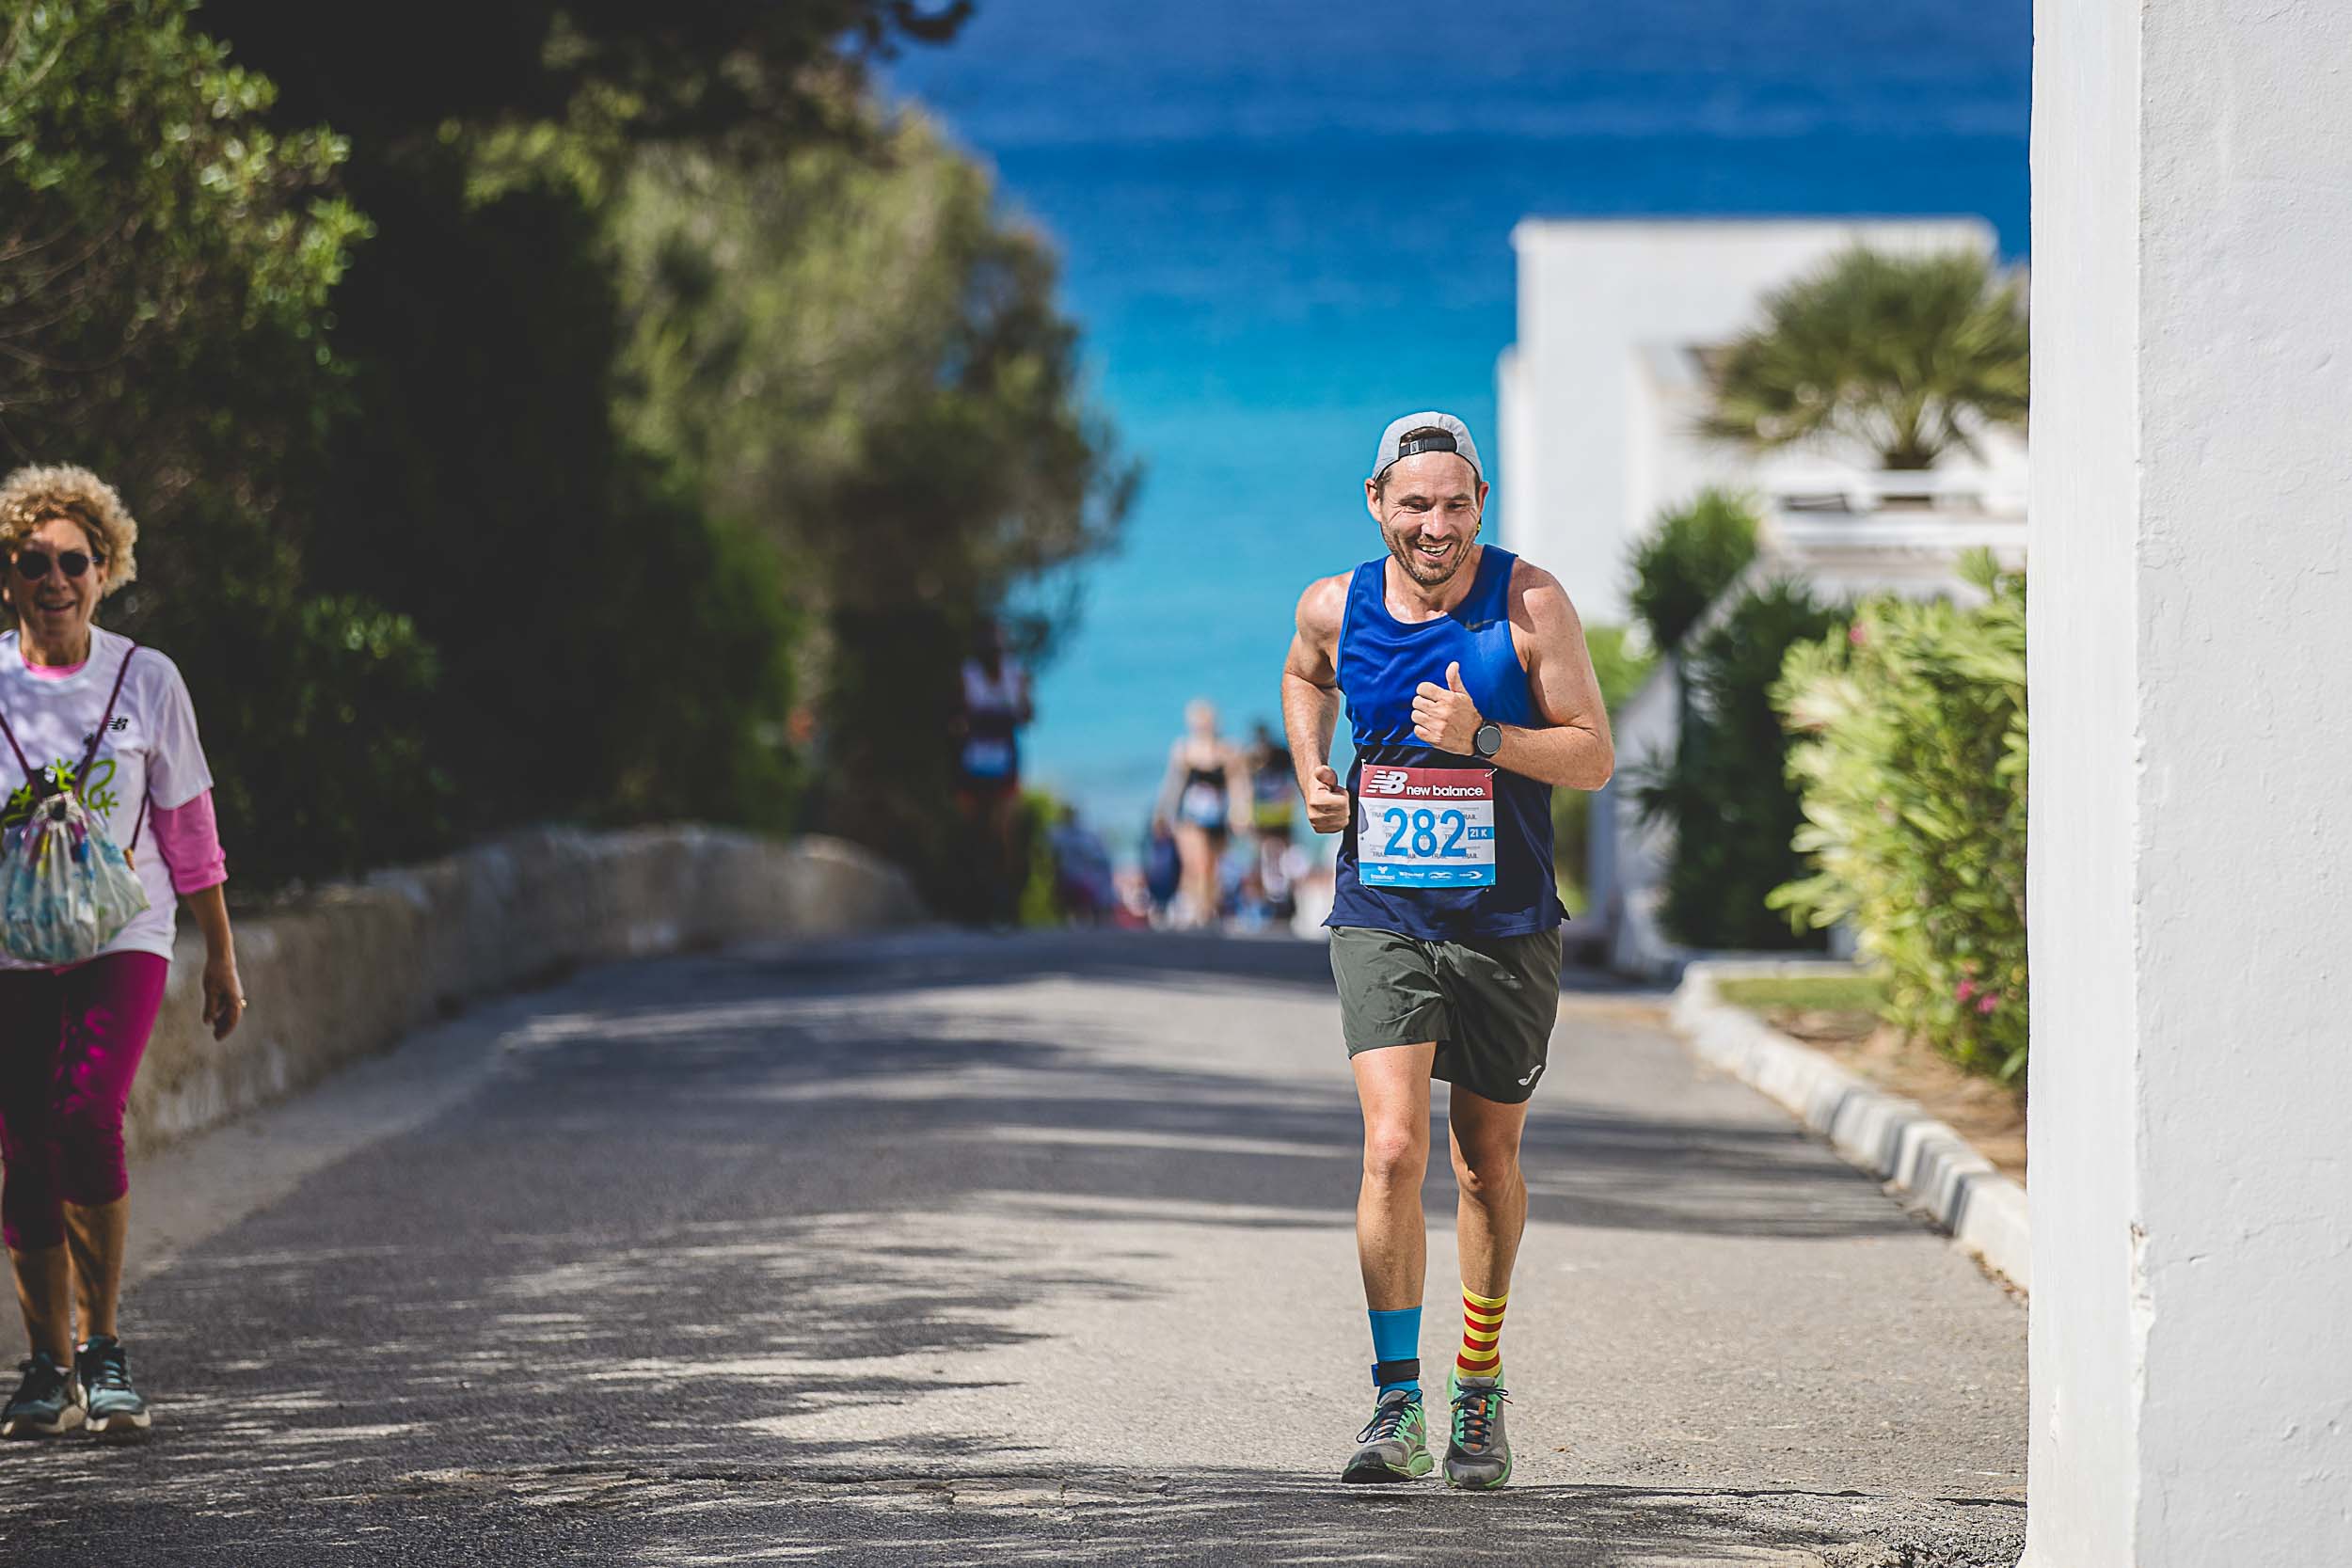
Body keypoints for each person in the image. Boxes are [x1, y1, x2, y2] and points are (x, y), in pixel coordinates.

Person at [1279, 413, 1613, 1488]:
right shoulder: (1334, 605)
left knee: (1483, 1161)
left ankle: (1477, 1382)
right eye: (1415, 503)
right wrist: (1311, 770)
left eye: (1456, 503)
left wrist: (1483, 738)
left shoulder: (1531, 604)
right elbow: (1304, 674)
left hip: (1506, 922)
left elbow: (1593, 756)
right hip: (1381, 911)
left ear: (1481, 504)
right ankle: (1395, 1400)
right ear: (1375, 501)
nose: (1436, 524)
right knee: (1390, 1148)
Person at [0, 466, 243, 1441]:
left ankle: (102, 1350)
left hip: (124, 931)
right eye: (34, 561)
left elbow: (189, 826)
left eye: (76, 560)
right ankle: (45, 1364)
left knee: (86, 1113)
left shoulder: (148, 678)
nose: (55, 578)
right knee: (23, 1144)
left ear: (106, 571)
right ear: (9, 575)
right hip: (12, 939)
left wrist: (220, 952)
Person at [950, 620, 1033, 926]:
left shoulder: (1016, 675)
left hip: (1004, 761)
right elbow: (956, 717)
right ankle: (975, 902)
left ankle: (1006, 901)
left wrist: (1010, 712)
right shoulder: (967, 676)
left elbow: (1028, 714)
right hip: (972, 762)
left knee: (1004, 832)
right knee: (973, 832)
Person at [1154, 700, 1245, 927]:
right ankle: (1193, 908)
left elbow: (1238, 784)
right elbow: (1173, 785)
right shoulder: (1184, 749)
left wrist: (1240, 812)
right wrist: (1163, 812)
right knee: (1195, 864)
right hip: (1189, 816)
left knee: (1212, 867)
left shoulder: (1228, 750)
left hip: (1218, 817)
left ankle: (1207, 908)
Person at [1243, 721, 1299, 922]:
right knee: (1263, 858)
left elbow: (1292, 782)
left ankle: (1286, 900)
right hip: (1264, 815)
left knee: (1284, 857)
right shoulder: (1251, 758)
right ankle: (1266, 901)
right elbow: (1248, 788)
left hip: (1280, 814)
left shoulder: (1280, 755)